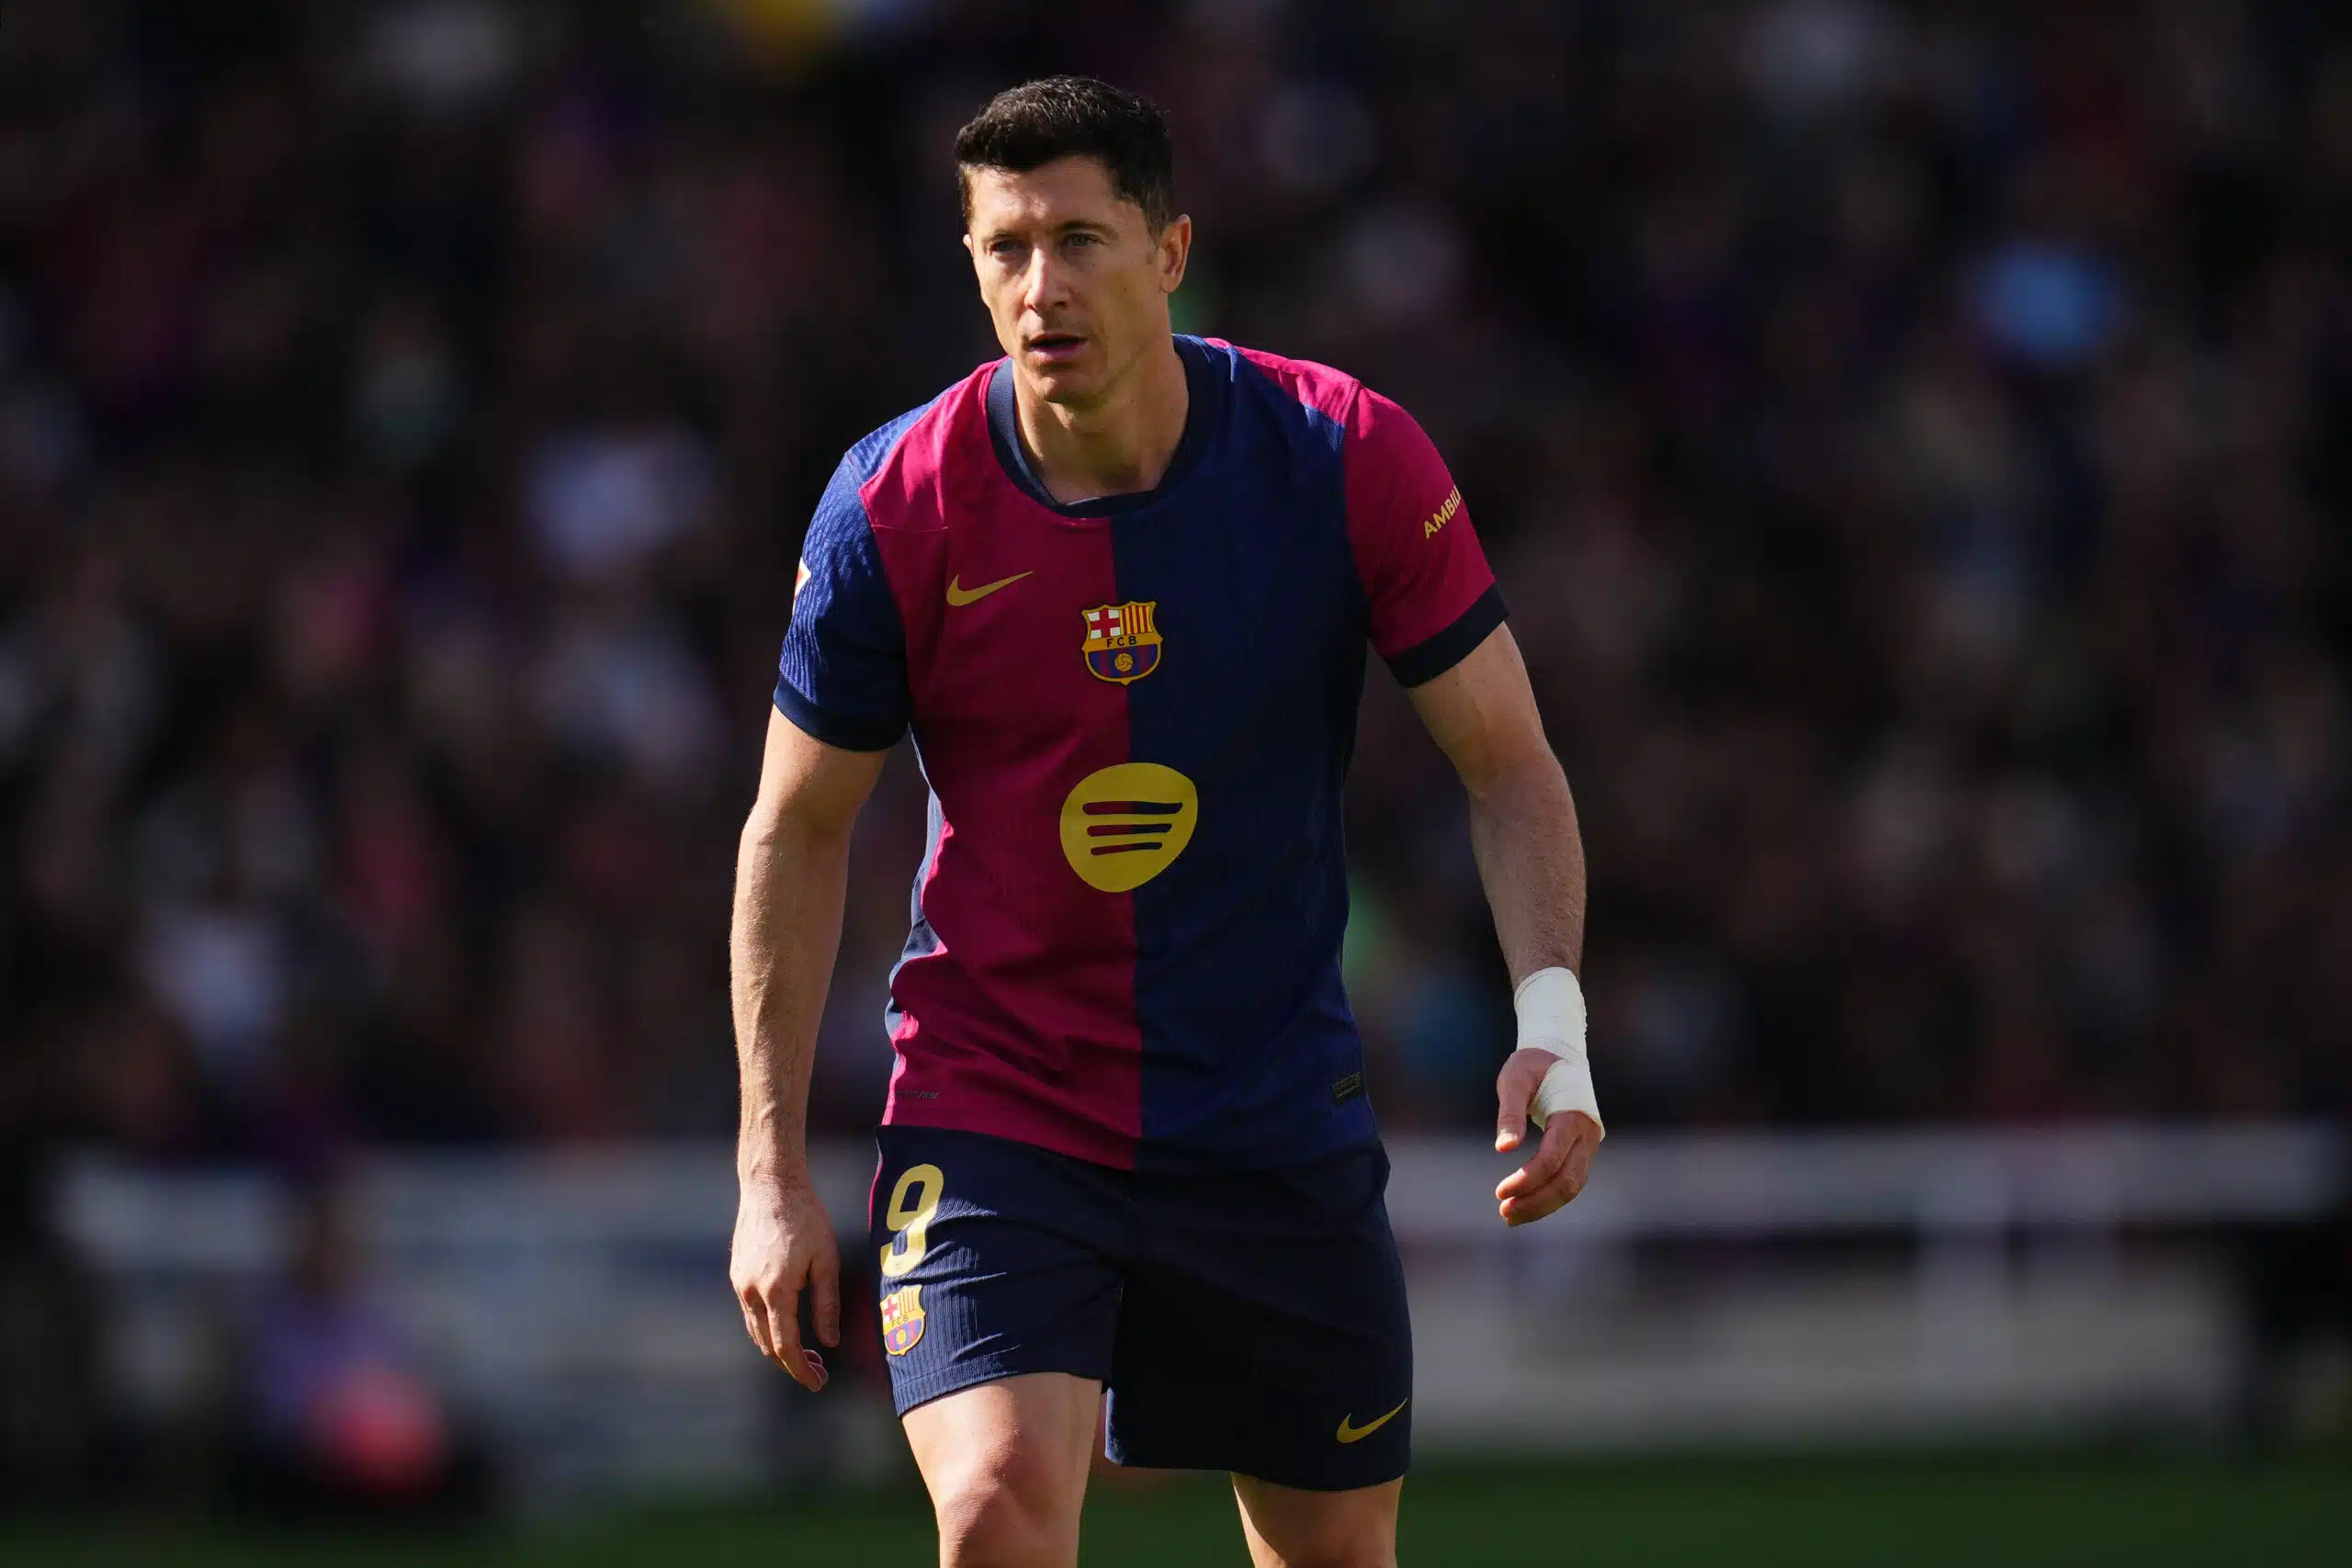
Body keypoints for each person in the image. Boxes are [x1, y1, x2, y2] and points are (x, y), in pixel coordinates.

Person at [729, 76, 1600, 1568]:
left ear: (1171, 250)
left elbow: (1509, 763)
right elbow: (794, 830)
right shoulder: (891, 507)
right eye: (1006, 248)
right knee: (995, 1508)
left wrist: (1555, 1025)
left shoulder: (1343, 455)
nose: (1041, 286)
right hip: (999, 1103)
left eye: (1079, 239)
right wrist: (768, 1171)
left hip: (1269, 1108)